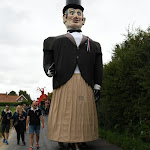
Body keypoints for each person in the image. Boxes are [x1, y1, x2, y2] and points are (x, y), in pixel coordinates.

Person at [43, 0, 103, 149]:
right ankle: (63, 138)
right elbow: (47, 63)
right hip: (63, 83)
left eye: (78, 13)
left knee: (83, 112)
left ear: (83, 19)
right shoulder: (53, 42)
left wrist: (97, 84)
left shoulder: (94, 44)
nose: (75, 16)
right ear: (64, 18)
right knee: (65, 112)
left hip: (85, 82)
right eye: (71, 13)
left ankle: (82, 138)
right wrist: (49, 70)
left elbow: (98, 67)